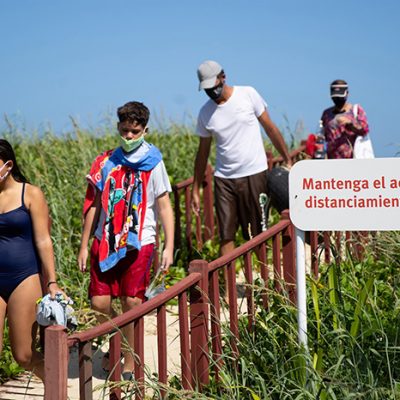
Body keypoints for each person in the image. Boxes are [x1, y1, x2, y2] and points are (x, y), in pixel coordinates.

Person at [77, 101, 174, 380]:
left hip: (140, 240)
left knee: (131, 302)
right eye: (124, 130)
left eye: (135, 131)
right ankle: (115, 342)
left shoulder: (154, 162)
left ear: (145, 130)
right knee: (99, 303)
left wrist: (168, 246)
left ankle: (130, 360)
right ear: (118, 128)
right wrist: (84, 245)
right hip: (105, 239)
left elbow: (164, 205)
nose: (129, 136)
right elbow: (94, 204)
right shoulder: (105, 161)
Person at [191, 60, 292, 257]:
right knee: (226, 234)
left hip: (254, 173)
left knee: (257, 233)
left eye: (213, 85)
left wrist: (287, 158)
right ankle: (227, 277)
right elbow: (202, 153)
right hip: (224, 179)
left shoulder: (248, 94)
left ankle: (262, 274)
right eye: (206, 89)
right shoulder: (205, 113)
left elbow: (270, 127)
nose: (211, 92)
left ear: (223, 77)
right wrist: (195, 188)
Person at [0, 139, 67, 381]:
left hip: (24, 277)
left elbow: (44, 240)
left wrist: (52, 282)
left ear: (8, 166)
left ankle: (56, 389)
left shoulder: (30, 193)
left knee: (24, 355)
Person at [321, 79, 369, 159]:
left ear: (347, 93)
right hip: (332, 160)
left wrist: (350, 124)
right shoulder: (327, 114)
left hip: (353, 158)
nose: (337, 99)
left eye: (340, 96)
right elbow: (323, 135)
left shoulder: (356, 110)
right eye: (335, 97)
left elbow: (364, 130)